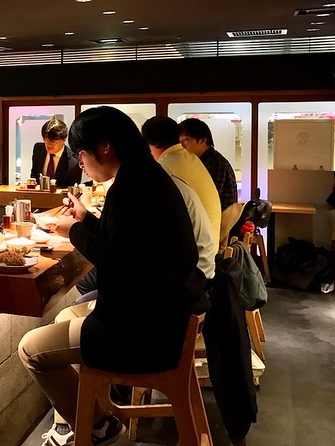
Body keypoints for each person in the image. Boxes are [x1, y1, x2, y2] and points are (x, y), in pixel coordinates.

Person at [18, 106, 207, 446]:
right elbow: (129, 250)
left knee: (31, 350)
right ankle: (90, 423)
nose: (80, 163)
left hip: (141, 330)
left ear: (105, 148)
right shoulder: (145, 176)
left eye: (81, 154)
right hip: (162, 314)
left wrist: (74, 230)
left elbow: (118, 264)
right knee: (66, 314)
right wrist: (87, 220)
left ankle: (100, 428)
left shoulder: (131, 188)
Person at [141, 115, 222, 257]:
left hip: (196, 258)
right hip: (210, 247)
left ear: (150, 145)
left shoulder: (164, 168)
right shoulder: (192, 159)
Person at [178, 118, 239, 211]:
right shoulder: (200, 161)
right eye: (180, 141)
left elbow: (208, 200)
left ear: (202, 140)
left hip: (217, 221)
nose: (182, 146)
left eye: (186, 140)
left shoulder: (215, 164)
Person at [29, 118, 82, 187]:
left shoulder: (74, 162)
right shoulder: (38, 149)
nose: (49, 145)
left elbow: (71, 190)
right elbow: (34, 178)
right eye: (46, 141)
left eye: (54, 142)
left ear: (64, 139)